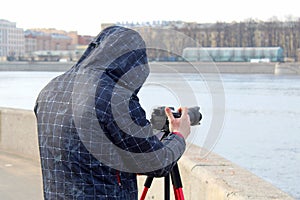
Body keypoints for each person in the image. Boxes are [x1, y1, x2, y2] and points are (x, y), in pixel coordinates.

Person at [34, 26, 190, 200]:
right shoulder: (116, 98)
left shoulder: (50, 89)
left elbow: (84, 151)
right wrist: (179, 134)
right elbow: (158, 163)